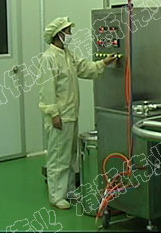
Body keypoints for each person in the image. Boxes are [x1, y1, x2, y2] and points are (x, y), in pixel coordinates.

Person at [38, 16, 117, 210]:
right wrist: (54, 114)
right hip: (60, 116)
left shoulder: (68, 55)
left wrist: (104, 63)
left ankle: (69, 190)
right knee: (58, 157)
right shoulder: (49, 58)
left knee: (71, 155)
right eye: (68, 32)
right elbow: (47, 90)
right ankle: (56, 196)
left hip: (71, 114)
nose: (70, 35)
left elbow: (85, 68)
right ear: (59, 34)